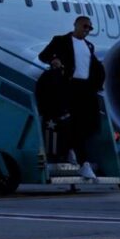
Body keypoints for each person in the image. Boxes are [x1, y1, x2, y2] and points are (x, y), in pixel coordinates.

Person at [37, 16, 106, 180]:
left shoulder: (89, 46)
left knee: (89, 124)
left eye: (90, 28)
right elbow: (43, 55)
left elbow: (93, 67)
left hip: (85, 89)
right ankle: (83, 163)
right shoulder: (61, 41)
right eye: (84, 26)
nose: (87, 30)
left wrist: (97, 83)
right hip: (68, 86)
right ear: (75, 25)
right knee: (71, 123)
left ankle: (71, 150)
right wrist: (54, 60)